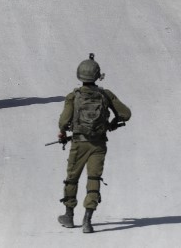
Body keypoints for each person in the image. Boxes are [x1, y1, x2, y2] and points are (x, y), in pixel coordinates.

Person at [56, 54, 132, 234]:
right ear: (98, 76)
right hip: (98, 145)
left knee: (72, 178)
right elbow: (126, 114)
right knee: (93, 179)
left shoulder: (73, 96)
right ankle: (87, 221)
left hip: (79, 144)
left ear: (79, 75)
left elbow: (63, 122)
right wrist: (111, 124)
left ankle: (69, 216)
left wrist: (63, 133)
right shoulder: (106, 95)